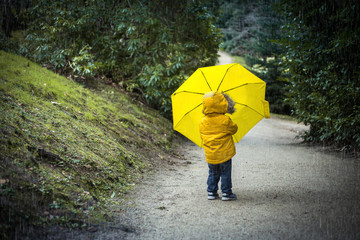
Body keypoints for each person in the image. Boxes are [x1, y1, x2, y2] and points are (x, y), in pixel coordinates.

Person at [199, 91, 238, 201]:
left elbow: (203, 136)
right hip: (224, 153)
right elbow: (234, 129)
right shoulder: (225, 120)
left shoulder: (203, 121)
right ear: (222, 104)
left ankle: (211, 192)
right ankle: (226, 193)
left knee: (213, 172)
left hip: (211, 154)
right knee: (225, 172)